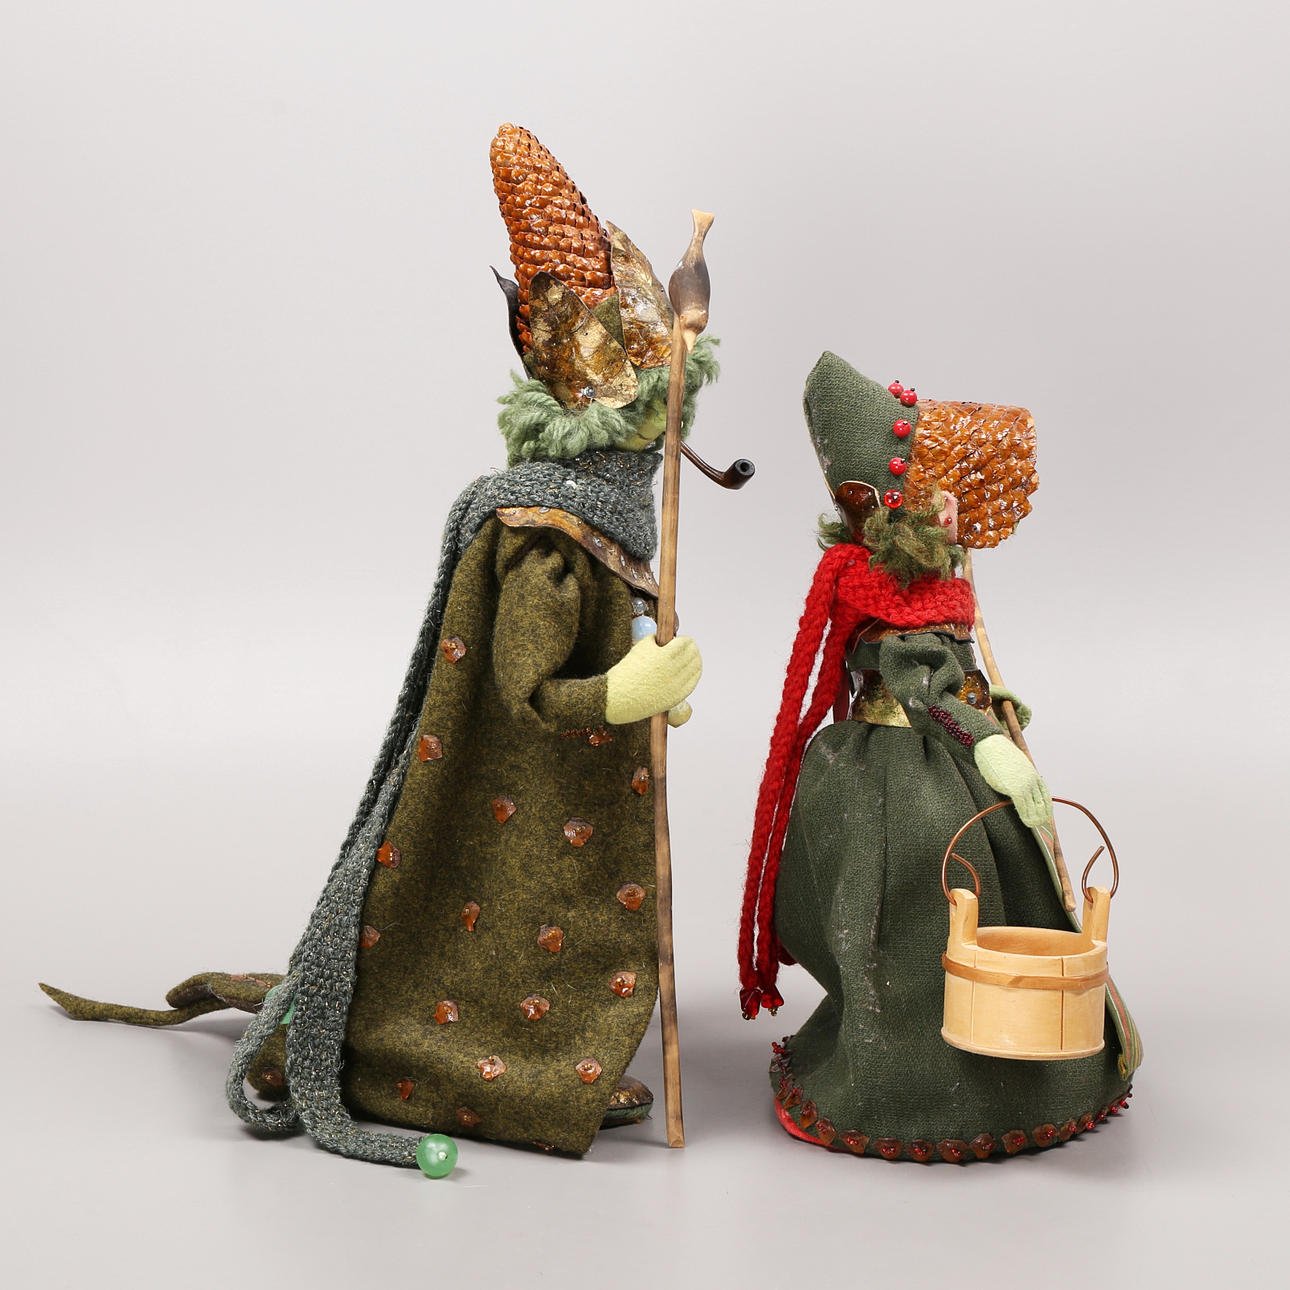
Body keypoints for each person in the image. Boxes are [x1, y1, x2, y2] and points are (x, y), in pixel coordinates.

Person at [41, 124, 718, 1171]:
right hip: (527, 791)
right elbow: (526, 689)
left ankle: (550, 1067)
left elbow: (617, 638)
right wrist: (622, 693)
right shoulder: (547, 543)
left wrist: (648, 674)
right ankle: (496, 1074)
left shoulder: (608, 528)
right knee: (516, 918)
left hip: (569, 799)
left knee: (551, 919)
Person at [738, 352, 1140, 1162]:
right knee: (917, 898)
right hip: (905, 780)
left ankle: (989, 1038)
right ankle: (913, 1076)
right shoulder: (888, 598)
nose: (958, 506)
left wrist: (990, 703)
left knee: (975, 892)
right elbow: (922, 690)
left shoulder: (931, 589)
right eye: (940, 492)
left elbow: (950, 676)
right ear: (900, 510)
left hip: (937, 762)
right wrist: (989, 743)